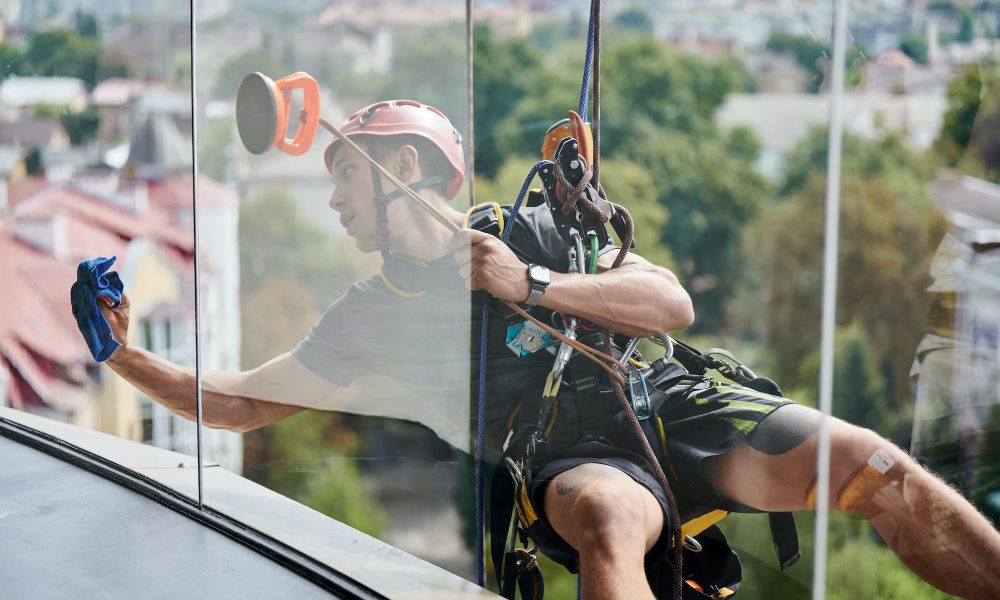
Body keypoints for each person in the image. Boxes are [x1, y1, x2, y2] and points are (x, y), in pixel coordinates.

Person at [94, 100, 1000, 600]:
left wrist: (528, 284)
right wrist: (124, 357)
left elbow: (668, 302)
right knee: (609, 526)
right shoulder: (369, 314)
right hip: (569, 456)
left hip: (674, 402)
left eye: (341, 178)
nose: (332, 203)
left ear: (401, 168)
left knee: (881, 471)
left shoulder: (538, 225)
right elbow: (247, 400)